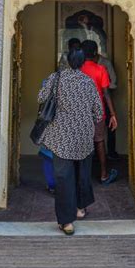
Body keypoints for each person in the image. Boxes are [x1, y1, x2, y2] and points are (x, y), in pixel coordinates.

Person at [38, 46, 103, 235]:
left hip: (61, 138)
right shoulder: (88, 82)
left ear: (66, 61)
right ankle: (80, 208)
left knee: (64, 178)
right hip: (84, 137)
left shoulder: (56, 78)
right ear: (83, 63)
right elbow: (98, 113)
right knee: (82, 174)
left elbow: (40, 97)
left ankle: (67, 222)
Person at [80, 39, 118, 184]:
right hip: (98, 112)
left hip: (80, 112)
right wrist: (113, 114)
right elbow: (106, 93)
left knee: (81, 143)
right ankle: (103, 175)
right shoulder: (100, 69)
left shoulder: (76, 70)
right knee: (99, 142)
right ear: (95, 52)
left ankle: (81, 177)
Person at [98, 52, 119, 159]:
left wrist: (102, 85)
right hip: (92, 101)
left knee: (110, 126)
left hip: (105, 100)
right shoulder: (85, 64)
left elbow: (114, 82)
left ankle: (111, 152)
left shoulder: (105, 63)